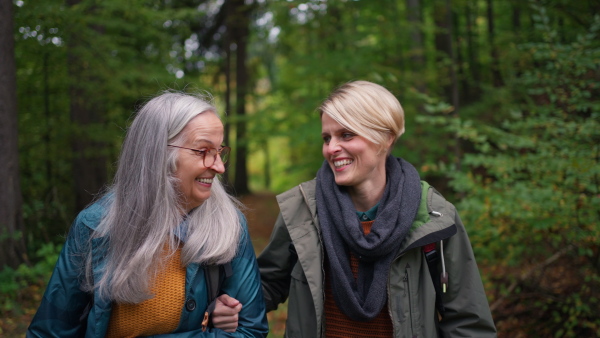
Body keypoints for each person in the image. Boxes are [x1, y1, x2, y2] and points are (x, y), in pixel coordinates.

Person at [214, 81, 496, 337]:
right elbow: (268, 285)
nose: (332, 148)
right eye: (327, 138)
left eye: (346, 135)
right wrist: (230, 307)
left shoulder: (434, 216)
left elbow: (468, 324)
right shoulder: (303, 209)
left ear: (386, 138)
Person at [27, 92, 268, 337]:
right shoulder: (96, 227)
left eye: (219, 151)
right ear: (158, 154)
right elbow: (50, 331)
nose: (219, 166)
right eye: (202, 151)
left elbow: (251, 330)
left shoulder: (228, 225)